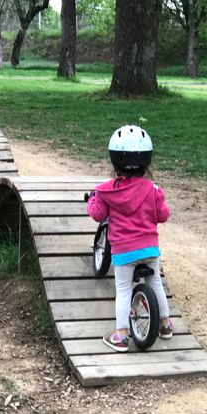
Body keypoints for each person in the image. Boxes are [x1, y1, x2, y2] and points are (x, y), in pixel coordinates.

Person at [87, 125, 172, 353]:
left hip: (124, 253)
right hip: (150, 249)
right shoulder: (153, 189)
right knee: (156, 283)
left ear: (115, 162)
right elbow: (163, 216)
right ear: (146, 162)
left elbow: (98, 214)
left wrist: (91, 201)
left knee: (123, 290)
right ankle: (165, 325)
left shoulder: (106, 191)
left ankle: (122, 336)